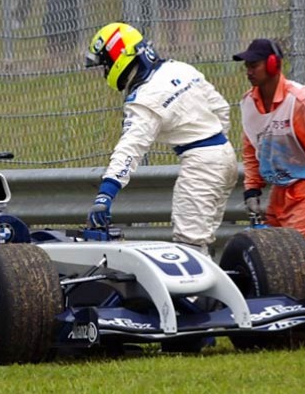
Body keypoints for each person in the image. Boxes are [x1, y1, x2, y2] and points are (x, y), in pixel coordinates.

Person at [84, 22, 237, 256]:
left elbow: (130, 149)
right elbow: (222, 109)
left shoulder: (144, 99)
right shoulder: (180, 68)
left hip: (201, 166)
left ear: (119, 58)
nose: (105, 71)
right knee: (201, 241)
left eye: (105, 65)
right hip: (226, 156)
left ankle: (197, 294)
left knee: (190, 247)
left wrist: (106, 194)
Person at [233, 39, 305, 289]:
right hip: (279, 193)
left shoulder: (299, 100)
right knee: (275, 264)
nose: (248, 71)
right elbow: (251, 148)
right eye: (246, 66)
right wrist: (252, 189)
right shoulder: (248, 103)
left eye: (254, 65)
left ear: (273, 65)